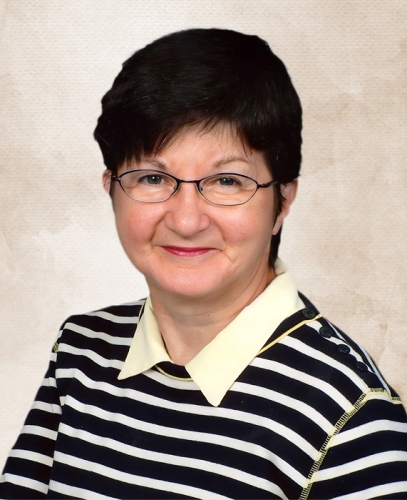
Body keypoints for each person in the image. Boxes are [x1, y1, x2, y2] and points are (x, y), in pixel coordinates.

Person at [1, 28, 407, 500]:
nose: (187, 220)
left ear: (282, 200)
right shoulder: (80, 353)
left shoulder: (349, 414)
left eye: (227, 181)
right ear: (111, 188)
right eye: (153, 178)